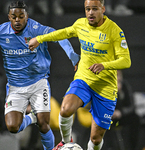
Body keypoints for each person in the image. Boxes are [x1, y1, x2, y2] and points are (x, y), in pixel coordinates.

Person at [0, 1, 80, 150]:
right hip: (15, 86)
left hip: (38, 83)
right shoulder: (0, 32)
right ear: (9, 17)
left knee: (44, 125)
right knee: (12, 126)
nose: (17, 20)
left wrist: (72, 55)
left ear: (27, 16)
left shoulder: (36, 29)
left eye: (21, 16)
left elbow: (60, 36)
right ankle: (32, 118)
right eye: (14, 16)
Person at [28, 0, 131, 149]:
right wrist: (39, 39)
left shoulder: (114, 31)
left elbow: (126, 61)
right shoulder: (81, 24)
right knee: (65, 110)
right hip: (84, 80)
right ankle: (65, 142)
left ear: (103, 9)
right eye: (87, 9)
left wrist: (105, 65)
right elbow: (63, 33)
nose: (90, 13)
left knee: (95, 139)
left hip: (105, 88)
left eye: (94, 9)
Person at [102, 70, 140, 150]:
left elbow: (131, 106)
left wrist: (121, 112)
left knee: (135, 118)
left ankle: (133, 147)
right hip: (109, 116)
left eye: (119, 76)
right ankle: (109, 147)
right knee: (104, 122)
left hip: (122, 115)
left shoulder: (125, 86)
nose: (117, 79)